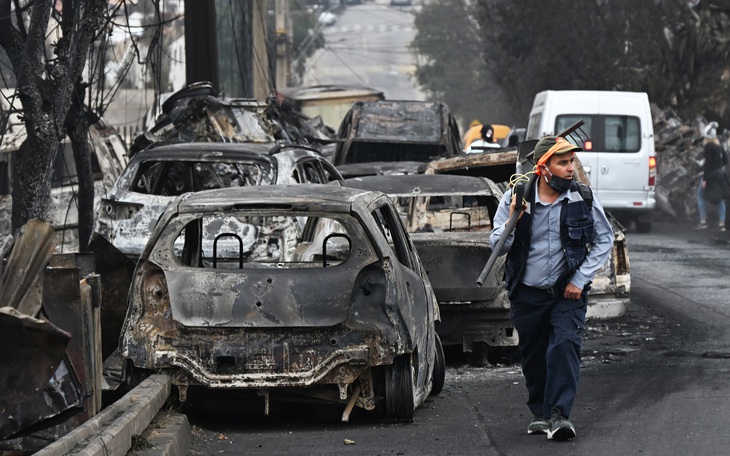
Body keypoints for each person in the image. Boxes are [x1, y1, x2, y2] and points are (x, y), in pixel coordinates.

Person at [489, 135, 614, 441]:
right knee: (533, 356)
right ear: (543, 168)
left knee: (564, 346)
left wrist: (579, 279)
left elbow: (604, 239)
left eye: (572, 161)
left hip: (566, 292)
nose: (571, 168)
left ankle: (559, 414)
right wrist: (514, 218)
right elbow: (496, 245)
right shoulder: (515, 197)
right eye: (563, 162)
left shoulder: (581, 197)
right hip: (527, 293)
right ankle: (541, 414)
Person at [696, 121, 727, 231]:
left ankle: (703, 222)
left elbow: (708, 165)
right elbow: (726, 160)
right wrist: (719, 166)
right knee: (719, 199)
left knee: (700, 196)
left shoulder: (709, 146)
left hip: (711, 174)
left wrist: (705, 179)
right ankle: (721, 224)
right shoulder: (719, 145)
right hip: (720, 173)